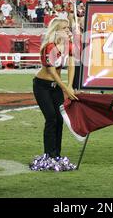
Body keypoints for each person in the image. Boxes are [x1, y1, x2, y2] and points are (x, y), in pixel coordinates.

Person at [33, 18, 78, 159]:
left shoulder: (69, 45)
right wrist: (66, 89)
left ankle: (56, 154)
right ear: (56, 31)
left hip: (56, 86)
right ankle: (48, 155)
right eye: (65, 28)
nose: (68, 31)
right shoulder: (49, 47)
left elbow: (72, 66)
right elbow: (52, 72)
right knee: (51, 118)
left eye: (68, 28)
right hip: (42, 86)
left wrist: (70, 86)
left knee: (59, 119)